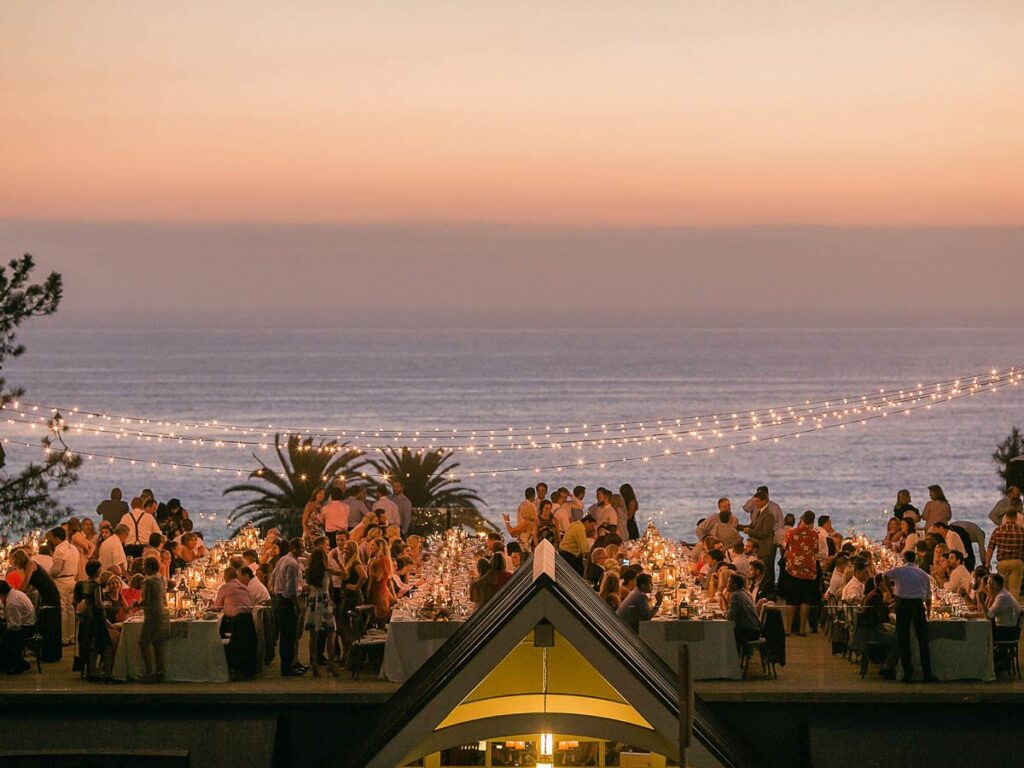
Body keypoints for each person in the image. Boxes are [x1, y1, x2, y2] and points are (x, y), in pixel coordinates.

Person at [884, 550, 935, 684]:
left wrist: (891, 592)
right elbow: (929, 596)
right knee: (922, 640)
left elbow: (884, 576)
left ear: (904, 558)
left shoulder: (899, 570)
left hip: (903, 605)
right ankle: (927, 673)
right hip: (918, 606)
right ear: (915, 559)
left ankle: (908, 674)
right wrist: (928, 612)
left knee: (903, 639)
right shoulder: (923, 574)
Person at [303, 543, 340, 677]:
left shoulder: (309, 571)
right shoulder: (327, 570)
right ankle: (331, 663)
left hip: (313, 602)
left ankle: (314, 665)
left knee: (313, 636)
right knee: (331, 634)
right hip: (325, 601)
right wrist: (337, 561)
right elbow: (344, 574)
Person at [270, 537, 305, 677]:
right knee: (288, 637)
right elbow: (291, 589)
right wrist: (297, 605)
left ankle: (290, 664)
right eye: (301, 547)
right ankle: (287, 668)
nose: (303, 549)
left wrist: (275, 589)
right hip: (287, 602)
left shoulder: (282, 559)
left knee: (288, 636)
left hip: (280, 599)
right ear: (294, 548)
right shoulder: (292, 564)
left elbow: (273, 576)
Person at [783, 510, 821, 636]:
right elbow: (816, 550)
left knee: (791, 600)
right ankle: (802, 629)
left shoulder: (791, 533)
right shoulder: (815, 534)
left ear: (802, 519)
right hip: (808, 572)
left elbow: (786, 547)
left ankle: (788, 629)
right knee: (805, 601)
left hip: (793, 570)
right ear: (812, 521)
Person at [74, 559, 111, 680]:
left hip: (88, 618)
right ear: (96, 571)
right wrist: (105, 605)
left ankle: (91, 670)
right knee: (105, 645)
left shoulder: (84, 583)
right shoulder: (96, 585)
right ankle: (107, 671)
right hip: (97, 616)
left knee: (92, 645)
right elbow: (98, 603)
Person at [47, 526, 80, 646]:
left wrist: (48, 575)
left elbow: (56, 569)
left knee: (62, 609)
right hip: (72, 579)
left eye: (52, 539)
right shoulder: (73, 548)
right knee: (71, 609)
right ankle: (72, 637)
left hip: (61, 581)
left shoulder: (59, 550)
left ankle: (64, 637)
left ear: (57, 538)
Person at [137, 556, 169, 683]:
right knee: (158, 643)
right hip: (161, 612)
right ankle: (160, 671)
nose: (143, 567)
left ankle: (149, 671)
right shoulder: (160, 578)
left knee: (144, 642)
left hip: (152, 614)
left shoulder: (148, 582)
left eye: (144, 565)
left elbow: (145, 599)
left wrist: (135, 603)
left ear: (149, 567)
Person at [985, 500, 1024, 598]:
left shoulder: (998, 530)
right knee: (1015, 590)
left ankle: (1004, 610)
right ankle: (1014, 611)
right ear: (1016, 518)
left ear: (1006, 517)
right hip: (1017, 562)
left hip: (1003, 563)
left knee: (1003, 591)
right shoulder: (1021, 531)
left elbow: (990, 548)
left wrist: (987, 563)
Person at [0, 581, 35, 675]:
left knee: (4, 640)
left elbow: (14, 625)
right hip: (29, 624)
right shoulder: (16, 593)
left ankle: (19, 665)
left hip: (25, 628)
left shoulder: (12, 602)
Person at [977, 573, 1022, 641]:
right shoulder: (1001, 594)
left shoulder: (1002, 597)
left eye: (988, 583)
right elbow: (989, 612)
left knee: (978, 631)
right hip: (1005, 629)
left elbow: (989, 615)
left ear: (994, 585)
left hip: (1007, 631)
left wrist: (980, 600)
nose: (986, 586)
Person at [726, 573, 762, 651]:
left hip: (748, 632)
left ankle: (729, 659)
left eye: (729, 582)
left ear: (735, 585)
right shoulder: (744, 593)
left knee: (722, 634)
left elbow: (730, 617)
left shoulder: (735, 595)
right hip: (754, 630)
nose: (727, 585)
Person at [503, 487, 538, 553]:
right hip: (529, 545)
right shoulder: (532, 523)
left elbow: (512, 533)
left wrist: (507, 521)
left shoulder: (526, 522)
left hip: (525, 547)